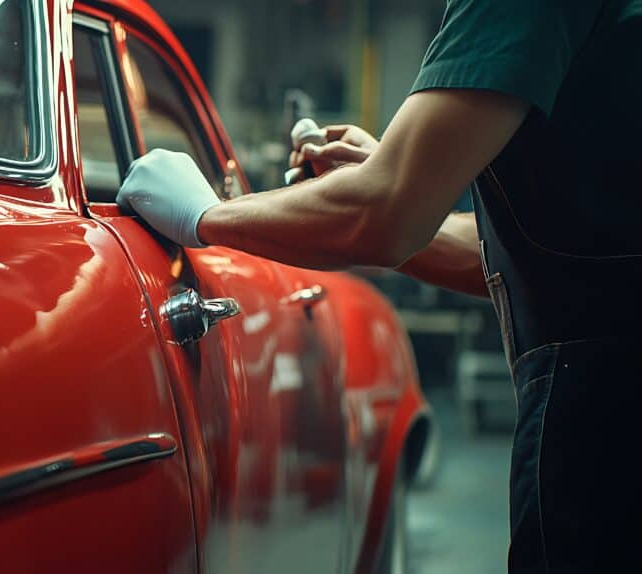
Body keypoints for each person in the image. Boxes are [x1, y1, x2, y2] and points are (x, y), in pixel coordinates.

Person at [116, 1, 642, 572]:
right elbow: (518, 257)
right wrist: (403, 181)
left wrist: (206, 217)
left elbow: (384, 218)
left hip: (604, 416)